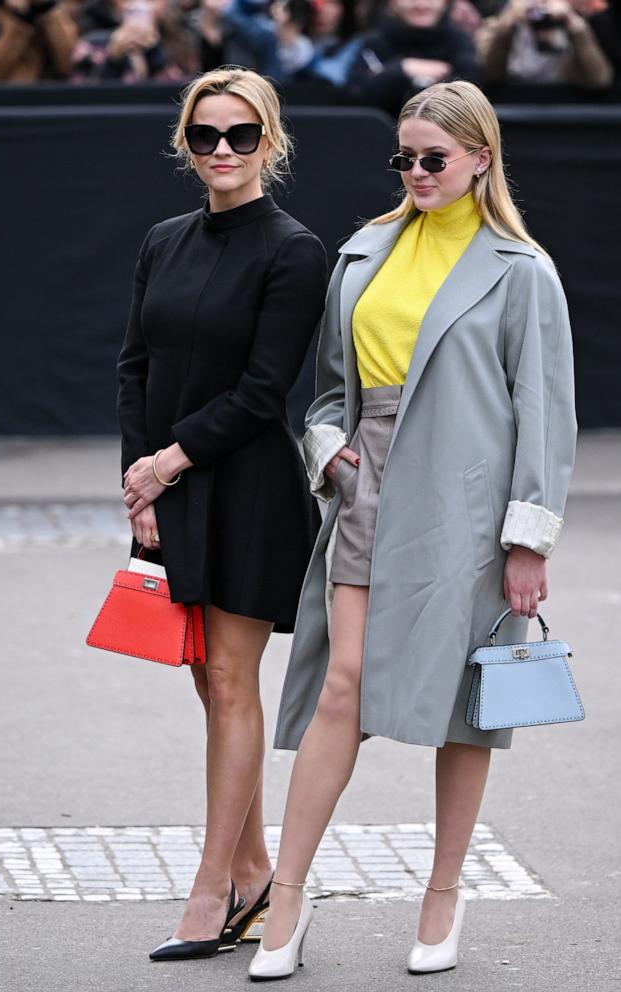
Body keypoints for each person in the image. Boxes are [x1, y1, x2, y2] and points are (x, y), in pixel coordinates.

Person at [249, 79, 577, 980]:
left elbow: (543, 414)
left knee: (459, 710)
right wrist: (330, 455)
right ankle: (286, 898)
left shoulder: (521, 270)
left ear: (480, 157)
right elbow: (323, 391)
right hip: (367, 484)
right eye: (406, 157)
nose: (419, 172)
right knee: (341, 689)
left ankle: (442, 896)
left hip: (467, 507)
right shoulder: (365, 251)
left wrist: (527, 540)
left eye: (436, 157)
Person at [117, 66, 327, 962]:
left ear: (269, 143)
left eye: (241, 136)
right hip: (172, 488)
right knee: (204, 679)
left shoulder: (293, 249)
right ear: (184, 142)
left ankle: (211, 893)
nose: (222, 152)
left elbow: (263, 391)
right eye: (205, 136)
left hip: (246, 492)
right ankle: (255, 874)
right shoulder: (164, 239)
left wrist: (169, 460)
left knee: (231, 680)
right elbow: (134, 367)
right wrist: (141, 481)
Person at [349, 0, 481, 116]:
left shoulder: (460, 42)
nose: (421, 4)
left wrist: (384, 75)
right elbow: (355, 99)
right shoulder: (374, 43)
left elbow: (473, 93)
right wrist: (402, 68)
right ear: (392, 2)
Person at [477, 0, 614, 89]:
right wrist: (507, 25)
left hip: (563, 109)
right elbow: (490, 76)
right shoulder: (505, 22)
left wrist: (574, 26)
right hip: (515, 104)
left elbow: (599, 80)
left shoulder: (576, 24)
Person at [0, 0, 76, 81]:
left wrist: (47, 11)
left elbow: (71, 67)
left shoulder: (57, 10)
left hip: (50, 97)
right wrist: (21, 19)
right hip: (1, 99)